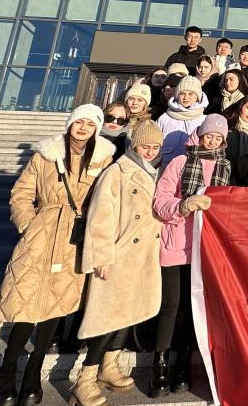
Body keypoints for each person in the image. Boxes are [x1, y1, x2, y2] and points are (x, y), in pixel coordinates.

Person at [0, 105, 116, 406]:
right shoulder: (45, 155)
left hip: (75, 238)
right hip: (41, 235)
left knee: (56, 305)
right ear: (70, 123)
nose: (83, 128)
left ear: (97, 129)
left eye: (90, 123)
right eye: (79, 122)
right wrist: (28, 224)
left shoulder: (103, 159)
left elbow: (107, 201)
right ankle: (7, 370)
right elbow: (22, 193)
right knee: (26, 302)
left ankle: (33, 371)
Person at [69, 121, 163, 406]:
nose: (150, 151)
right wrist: (101, 256)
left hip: (144, 256)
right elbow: (101, 216)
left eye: (155, 147)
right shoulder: (117, 171)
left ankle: (109, 366)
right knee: (106, 318)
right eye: (145, 146)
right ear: (134, 145)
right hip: (118, 254)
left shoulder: (156, 172)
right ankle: (85, 378)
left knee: (128, 315)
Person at [151, 115, 231, 396]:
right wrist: (184, 205)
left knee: (192, 307)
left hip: (205, 247)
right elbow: (160, 201)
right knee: (171, 305)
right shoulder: (180, 161)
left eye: (218, 137)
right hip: (176, 242)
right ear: (200, 133)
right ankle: (159, 364)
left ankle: (183, 365)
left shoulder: (224, 166)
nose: (213, 140)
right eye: (209, 135)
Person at [158, 76, 208, 167]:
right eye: (182, 93)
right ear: (177, 95)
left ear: (197, 96)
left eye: (191, 94)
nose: (186, 97)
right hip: (165, 165)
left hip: (192, 168)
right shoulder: (165, 117)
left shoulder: (204, 120)